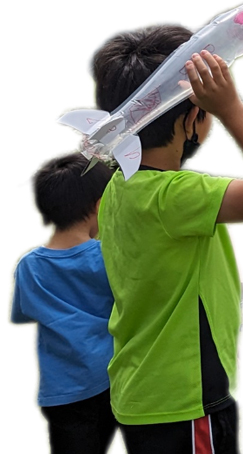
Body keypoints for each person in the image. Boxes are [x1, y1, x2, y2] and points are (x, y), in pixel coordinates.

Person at [92, 24, 243, 454]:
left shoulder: (119, 187)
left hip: (145, 389)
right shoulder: (173, 196)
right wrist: (231, 108)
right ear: (192, 116)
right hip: (184, 399)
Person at [11, 153, 117, 454]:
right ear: (100, 205)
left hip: (63, 390)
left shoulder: (29, 266)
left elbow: (23, 313)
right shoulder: (110, 256)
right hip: (114, 378)